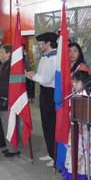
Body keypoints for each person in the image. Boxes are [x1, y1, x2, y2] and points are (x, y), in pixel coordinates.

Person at [61, 70, 91, 180]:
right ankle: (77, 178)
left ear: (85, 82)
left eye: (77, 82)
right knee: (78, 154)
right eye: (73, 81)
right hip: (77, 131)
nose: (74, 84)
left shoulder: (88, 96)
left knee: (86, 155)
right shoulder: (75, 95)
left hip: (87, 134)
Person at [26, 32, 58, 165]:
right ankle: (51, 153)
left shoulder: (54, 58)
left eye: (41, 43)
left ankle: (55, 155)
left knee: (51, 125)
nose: (39, 45)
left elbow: (46, 79)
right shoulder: (46, 57)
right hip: (45, 92)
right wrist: (35, 75)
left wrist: (32, 76)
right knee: (46, 124)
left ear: (48, 43)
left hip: (51, 93)